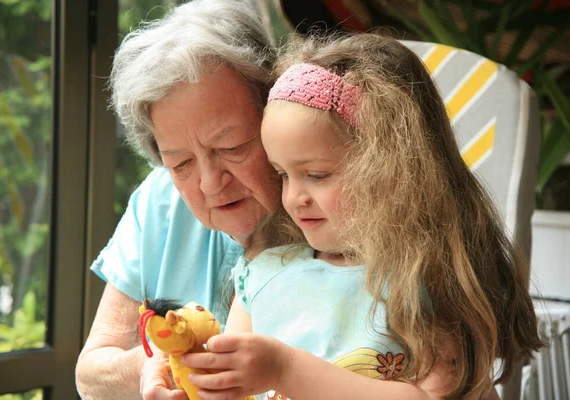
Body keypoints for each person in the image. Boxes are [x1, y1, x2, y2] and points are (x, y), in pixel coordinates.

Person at [180, 34, 544, 399]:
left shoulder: (420, 280)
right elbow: (228, 385)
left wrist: (285, 370)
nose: (293, 197)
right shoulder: (263, 276)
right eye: (282, 175)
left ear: (393, 173)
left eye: (317, 175)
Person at [75, 1, 284, 398]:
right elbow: (90, 375)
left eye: (231, 146)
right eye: (181, 162)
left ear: (274, 113)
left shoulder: (334, 208)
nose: (209, 183)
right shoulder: (158, 201)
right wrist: (158, 359)